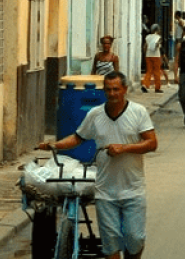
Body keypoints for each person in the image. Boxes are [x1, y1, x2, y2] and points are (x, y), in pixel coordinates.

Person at [37, 72, 157, 259]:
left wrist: (124, 148)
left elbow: (152, 143)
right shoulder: (95, 115)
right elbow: (78, 137)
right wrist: (55, 145)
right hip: (105, 192)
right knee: (110, 245)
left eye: (116, 89)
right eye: (108, 89)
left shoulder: (138, 112)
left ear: (124, 90)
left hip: (133, 190)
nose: (112, 93)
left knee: (135, 239)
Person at [141, 24, 164, 93]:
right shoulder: (158, 37)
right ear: (157, 30)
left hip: (148, 56)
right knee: (157, 72)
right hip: (156, 56)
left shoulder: (147, 37)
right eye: (159, 29)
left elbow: (145, 46)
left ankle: (145, 85)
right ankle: (157, 88)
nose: (160, 30)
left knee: (149, 71)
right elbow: (157, 46)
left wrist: (145, 54)